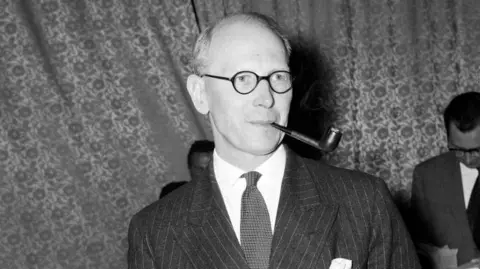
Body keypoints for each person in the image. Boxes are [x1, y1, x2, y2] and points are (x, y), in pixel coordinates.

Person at [128, 12, 420, 269]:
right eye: (243, 78)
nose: (267, 97)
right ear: (200, 93)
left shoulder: (364, 201)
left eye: (278, 77)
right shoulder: (154, 231)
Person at [411, 91, 480, 267]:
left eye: (477, 150)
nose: (469, 159)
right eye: (457, 149)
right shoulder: (426, 175)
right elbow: (417, 244)